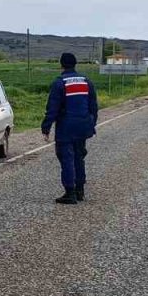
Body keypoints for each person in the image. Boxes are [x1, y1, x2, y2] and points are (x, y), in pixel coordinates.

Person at [41, 52, 99, 205]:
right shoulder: (87, 81)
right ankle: (80, 190)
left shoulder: (59, 83)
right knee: (79, 157)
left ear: (61, 64)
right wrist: (92, 124)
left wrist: (46, 127)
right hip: (83, 126)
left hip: (66, 127)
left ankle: (70, 192)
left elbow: (52, 108)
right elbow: (94, 106)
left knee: (67, 158)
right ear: (75, 64)